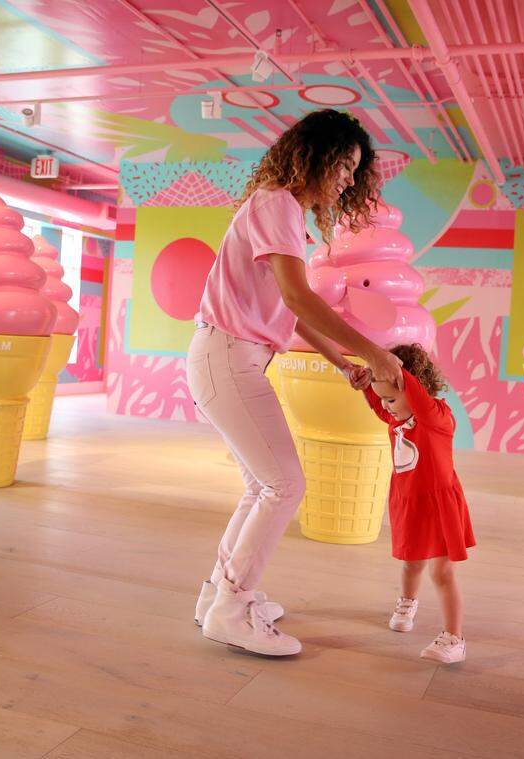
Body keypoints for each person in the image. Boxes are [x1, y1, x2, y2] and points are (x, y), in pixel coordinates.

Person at [188, 109, 404, 657]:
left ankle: (220, 593)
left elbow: (294, 313)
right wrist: (373, 353)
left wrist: (342, 362)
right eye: (346, 165)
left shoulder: (278, 209)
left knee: (264, 486)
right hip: (228, 358)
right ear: (317, 154)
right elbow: (299, 299)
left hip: (232, 357)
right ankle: (231, 610)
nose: (350, 179)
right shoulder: (277, 203)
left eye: (357, 171)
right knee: (285, 486)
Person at [358, 343, 475, 664]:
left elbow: (416, 400)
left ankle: (454, 638)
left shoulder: (437, 416)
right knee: (411, 562)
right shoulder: (398, 418)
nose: (387, 406)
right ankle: (407, 602)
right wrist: (366, 382)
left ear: (413, 386)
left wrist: (392, 372)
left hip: (439, 503)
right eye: (384, 399)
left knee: (442, 572)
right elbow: (378, 406)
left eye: (392, 398)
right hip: (408, 500)